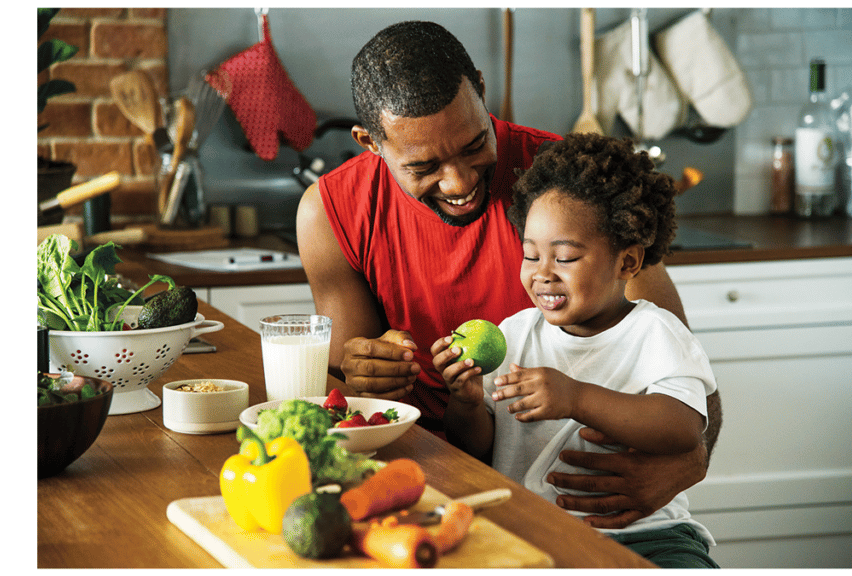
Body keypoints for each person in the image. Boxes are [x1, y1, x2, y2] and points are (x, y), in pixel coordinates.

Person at [296, 19, 723, 530]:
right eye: (423, 166)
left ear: (480, 87)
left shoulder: (565, 189)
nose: (459, 181)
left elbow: (689, 378)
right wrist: (364, 372)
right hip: (417, 477)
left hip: (589, 507)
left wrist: (689, 464)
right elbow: (353, 397)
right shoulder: (330, 212)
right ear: (370, 143)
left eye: (475, 143)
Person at [433, 132, 719, 567]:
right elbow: (478, 449)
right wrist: (467, 403)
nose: (542, 274)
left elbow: (682, 428)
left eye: (564, 258)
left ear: (627, 262)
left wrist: (576, 397)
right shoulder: (515, 334)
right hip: (532, 530)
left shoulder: (656, 333)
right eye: (531, 255)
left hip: (646, 535)